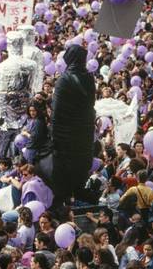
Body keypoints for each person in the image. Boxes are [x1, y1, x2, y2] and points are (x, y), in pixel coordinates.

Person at [40, 45, 96, 206]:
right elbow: (91, 104)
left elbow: (57, 111)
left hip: (65, 134)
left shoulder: (64, 80)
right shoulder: (89, 78)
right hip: (84, 133)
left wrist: (53, 133)